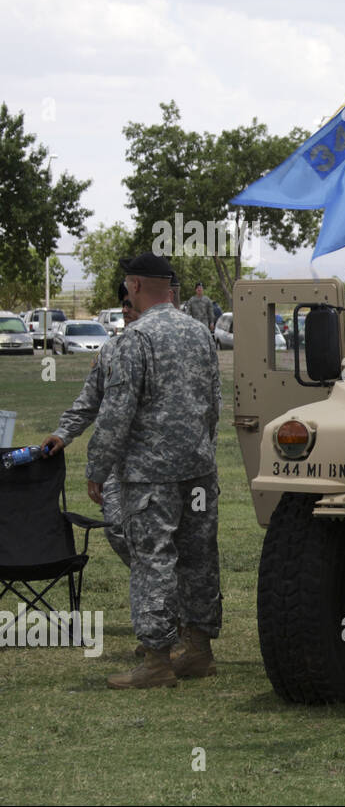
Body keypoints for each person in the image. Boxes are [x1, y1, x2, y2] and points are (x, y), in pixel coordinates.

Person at [86, 252, 223, 689]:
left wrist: (97, 466)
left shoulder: (136, 338)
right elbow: (214, 405)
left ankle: (158, 660)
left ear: (136, 286)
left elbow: (116, 412)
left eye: (127, 286)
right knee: (199, 558)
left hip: (151, 473)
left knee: (153, 559)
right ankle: (198, 649)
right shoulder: (201, 332)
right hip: (198, 467)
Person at [42, 281, 139, 567]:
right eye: (123, 303)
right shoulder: (110, 351)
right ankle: (153, 585)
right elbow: (88, 402)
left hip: (162, 465)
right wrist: (63, 434)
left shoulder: (170, 349)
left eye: (131, 304)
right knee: (117, 529)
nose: (126, 309)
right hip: (117, 463)